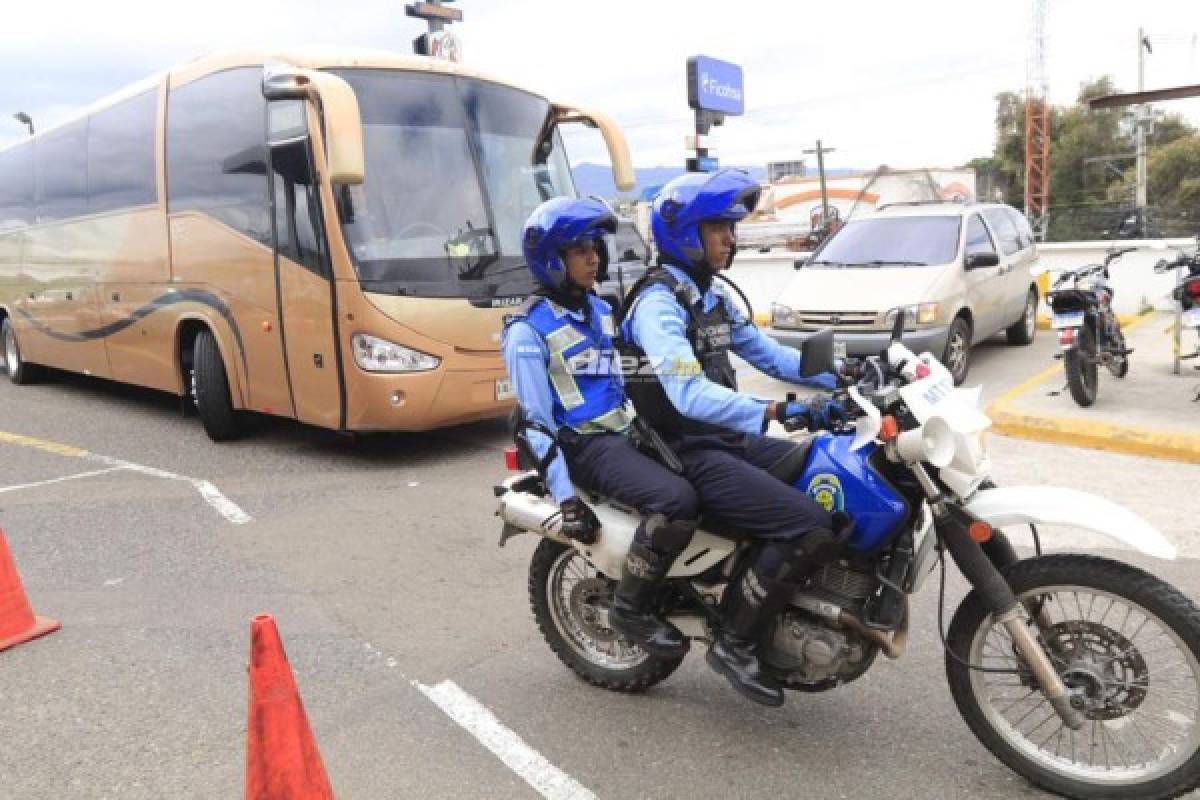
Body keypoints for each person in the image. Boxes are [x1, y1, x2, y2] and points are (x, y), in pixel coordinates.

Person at [620, 169, 850, 708]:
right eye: (719, 228)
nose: (732, 238)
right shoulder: (658, 304)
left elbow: (770, 355)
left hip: (724, 440)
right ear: (685, 235)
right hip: (684, 450)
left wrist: (848, 372)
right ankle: (735, 640)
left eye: (731, 228)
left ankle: (772, 591)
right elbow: (688, 394)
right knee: (807, 525)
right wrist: (777, 408)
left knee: (826, 471)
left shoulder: (711, 296)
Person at [501, 196, 699, 661]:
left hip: (626, 432)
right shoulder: (527, 332)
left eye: (595, 248)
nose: (594, 258)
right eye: (579, 251)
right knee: (677, 501)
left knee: (710, 467)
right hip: (584, 446)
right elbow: (535, 422)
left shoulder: (598, 309)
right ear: (552, 259)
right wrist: (567, 499)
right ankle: (630, 608)